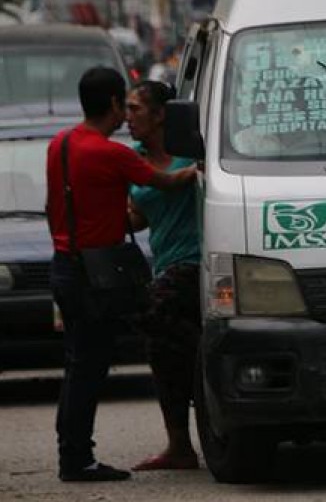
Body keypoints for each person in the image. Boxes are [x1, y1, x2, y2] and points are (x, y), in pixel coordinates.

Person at [46, 67, 196, 482]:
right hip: (96, 272)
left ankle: (71, 453)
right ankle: (78, 459)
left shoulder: (60, 144)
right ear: (112, 104)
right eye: (124, 107)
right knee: (92, 366)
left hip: (64, 264)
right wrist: (195, 172)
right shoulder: (113, 154)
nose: (126, 117)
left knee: (78, 364)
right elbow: (165, 182)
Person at [124, 81, 202, 471]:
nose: (128, 117)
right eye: (126, 108)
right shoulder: (133, 161)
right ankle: (179, 444)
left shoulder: (194, 152)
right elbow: (138, 216)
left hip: (199, 265)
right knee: (164, 351)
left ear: (161, 115)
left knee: (156, 315)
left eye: (136, 109)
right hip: (165, 266)